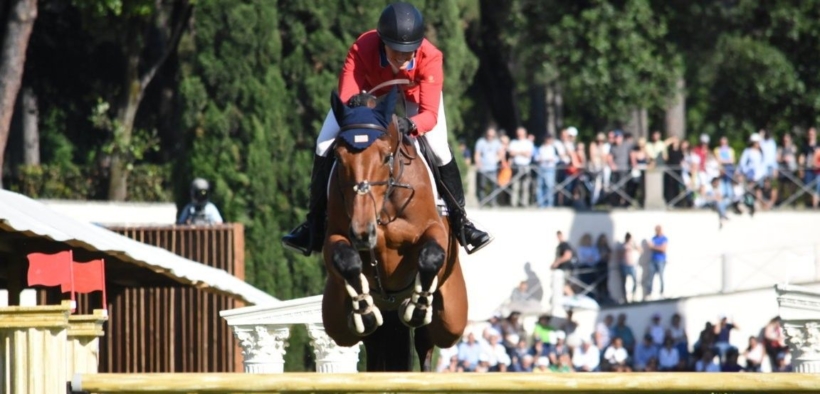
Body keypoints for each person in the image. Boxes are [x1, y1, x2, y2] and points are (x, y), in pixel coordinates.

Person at [281, 2, 492, 256]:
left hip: (415, 100)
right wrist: (361, 112)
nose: (403, 59)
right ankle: (313, 225)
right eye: (396, 52)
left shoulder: (431, 56)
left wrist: (410, 125)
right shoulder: (362, 47)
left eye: (408, 53)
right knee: (323, 144)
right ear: (382, 43)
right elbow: (349, 96)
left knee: (438, 149)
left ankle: (461, 222)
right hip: (370, 97)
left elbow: (430, 114)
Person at [646, 225, 668, 300]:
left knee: (661, 276)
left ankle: (662, 292)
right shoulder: (653, 238)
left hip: (661, 260)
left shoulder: (664, 238)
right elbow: (650, 247)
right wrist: (657, 247)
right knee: (650, 277)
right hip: (653, 259)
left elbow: (663, 249)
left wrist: (654, 247)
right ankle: (649, 293)